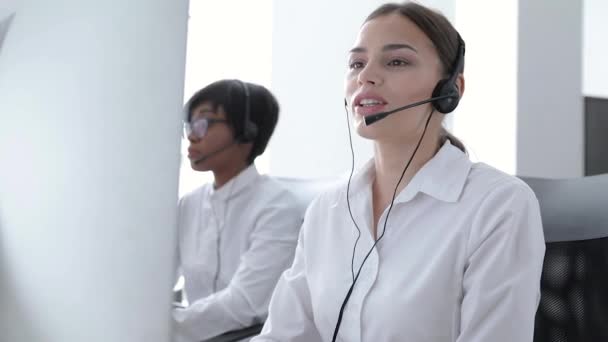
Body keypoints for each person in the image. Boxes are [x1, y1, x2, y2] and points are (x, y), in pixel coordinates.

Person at [252, 2, 545, 341]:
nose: (366, 76)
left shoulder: (498, 205)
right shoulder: (326, 211)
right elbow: (283, 335)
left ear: (450, 90)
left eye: (397, 61)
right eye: (356, 63)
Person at [173, 79, 301, 342]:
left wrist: (166, 325)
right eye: (189, 125)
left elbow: (244, 305)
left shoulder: (276, 207)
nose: (193, 135)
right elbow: (154, 278)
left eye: (204, 123)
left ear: (247, 131)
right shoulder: (189, 204)